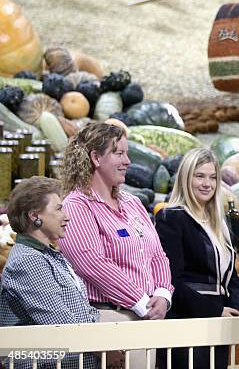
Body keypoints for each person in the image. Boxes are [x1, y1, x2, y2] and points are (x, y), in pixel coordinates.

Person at [59, 122, 174, 369]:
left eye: (127, 153)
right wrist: (142, 302)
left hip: (146, 318)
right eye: (119, 153)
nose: (128, 161)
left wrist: (163, 294)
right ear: (96, 157)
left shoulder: (132, 202)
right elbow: (92, 265)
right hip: (108, 319)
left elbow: (157, 254)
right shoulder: (77, 206)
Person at [155, 148, 239, 369]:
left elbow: (233, 276)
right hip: (186, 326)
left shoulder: (221, 223)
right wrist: (216, 311)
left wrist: (236, 311)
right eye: (199, 176)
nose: (207, 183)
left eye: (213, 177)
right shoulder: (171, 218)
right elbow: (172, 281)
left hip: (219, 326)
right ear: (186, 178)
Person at [0, 176, 99, 369]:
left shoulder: (48, 255)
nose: (67, 216)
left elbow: (82, 312)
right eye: (59, 208)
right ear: (34, 216)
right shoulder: (28, 262)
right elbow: (60, 324)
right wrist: (105, 349)